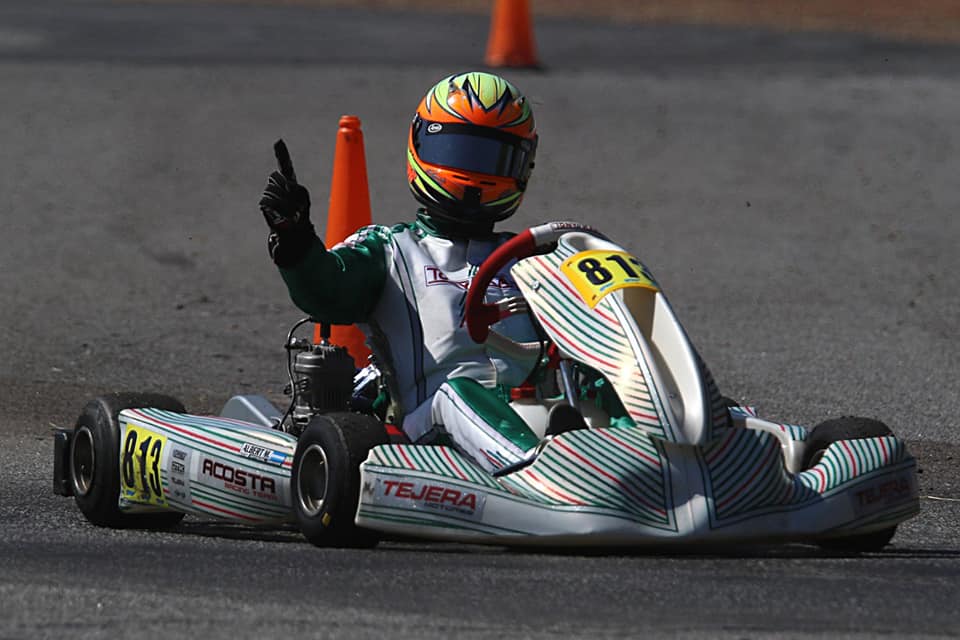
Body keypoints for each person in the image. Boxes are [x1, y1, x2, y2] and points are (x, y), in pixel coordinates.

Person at [259, 71, 545, 474]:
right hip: (425, 434)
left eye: (491, 159)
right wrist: (296, 242)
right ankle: (538, 474)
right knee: (457, 395)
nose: (473, 175)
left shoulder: (532, 259)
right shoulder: (392, 249)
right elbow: (327, 291)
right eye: (457, 152)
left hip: (530, 419)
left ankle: (622, 455)